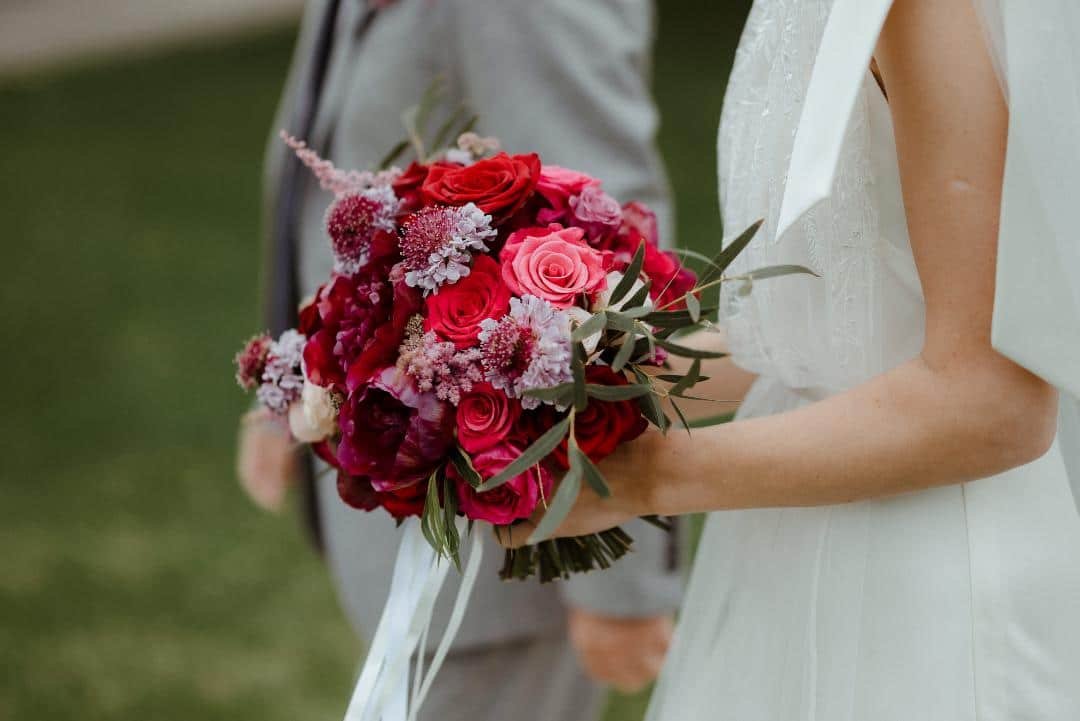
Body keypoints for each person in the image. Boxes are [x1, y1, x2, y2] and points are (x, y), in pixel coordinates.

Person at [503, 0, 1080, 718]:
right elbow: (831, 342)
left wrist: (641, 476)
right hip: (791, 538)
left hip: (918, 583)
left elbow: (994, 401)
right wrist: (548, 379)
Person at [237, 1, 682, 719]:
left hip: (501, 564)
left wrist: (619, 586)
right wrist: (291, 382)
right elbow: (324, 133)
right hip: (407, 526)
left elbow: (609, 246)